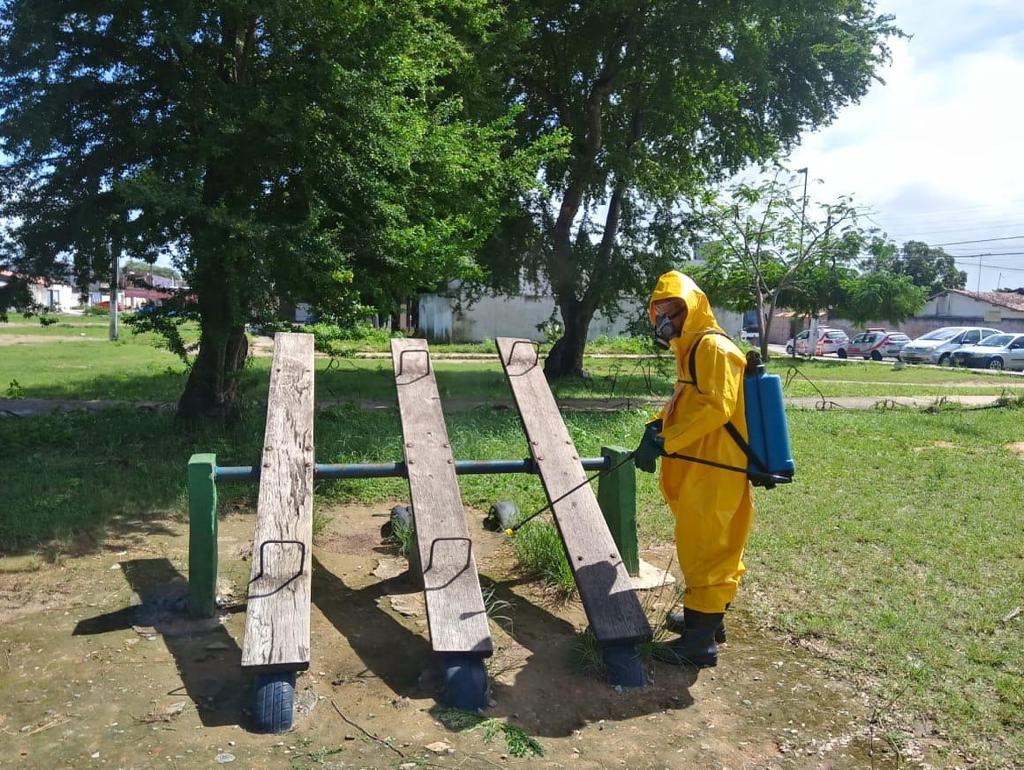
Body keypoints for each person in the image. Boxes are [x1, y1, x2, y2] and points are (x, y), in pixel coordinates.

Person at [634, 270, 755, 668]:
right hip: (701, 463)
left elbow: (717, 407)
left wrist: (666, 441)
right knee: (706, 544)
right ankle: (707, 621)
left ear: (695, 308)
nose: (666, 320)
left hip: (716, 466)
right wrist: (657, 425)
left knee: (706, 549)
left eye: (675, 310)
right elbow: (687, 401)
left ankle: (698, 646)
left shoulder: (713, 348)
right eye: (661, 311)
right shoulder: (691, 349)